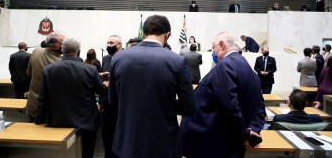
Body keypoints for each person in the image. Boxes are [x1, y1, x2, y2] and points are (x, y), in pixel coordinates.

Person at [109, 15, 196, 158]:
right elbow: (189, 107)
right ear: (167, 35)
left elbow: (113, 101)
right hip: (163, 144)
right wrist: (163, 102)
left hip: (127, 143)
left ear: (143, 34)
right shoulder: (177, 61)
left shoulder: (118, 58)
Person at [179, 32, 266, 158]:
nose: (214, 53)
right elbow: (260, 108)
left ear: (221, 45)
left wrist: (245, 134)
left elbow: (229, 106)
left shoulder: (226, 66)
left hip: (213, 145)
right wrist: (253, 131)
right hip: (230, 146)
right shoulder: (252, 74)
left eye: (214, 49)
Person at [35, 37, 107, 158]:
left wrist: (38, 121)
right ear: (78, 51)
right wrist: (105, 86)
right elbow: (101, 91)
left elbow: (42, 98)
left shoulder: (48, 70)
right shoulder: (91, 69)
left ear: (62, 50)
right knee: (87, 152)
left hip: (58, 121)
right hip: (86, 121)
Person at [26, 32, 65, 122]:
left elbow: (29, 73)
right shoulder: (60, 64)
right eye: (63, 44)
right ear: (55, 47)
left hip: (33, 105)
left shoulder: (36, 51)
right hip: (49, 111)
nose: (65, 46)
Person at [100, 34, 123, 158]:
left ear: (119, 45)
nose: (108, 45)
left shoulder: (125, 57)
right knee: (106, 133)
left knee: (118, 133)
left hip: (120, 102)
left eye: (111, 43)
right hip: (107, 102)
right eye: (108, 43)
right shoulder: (106, 59)